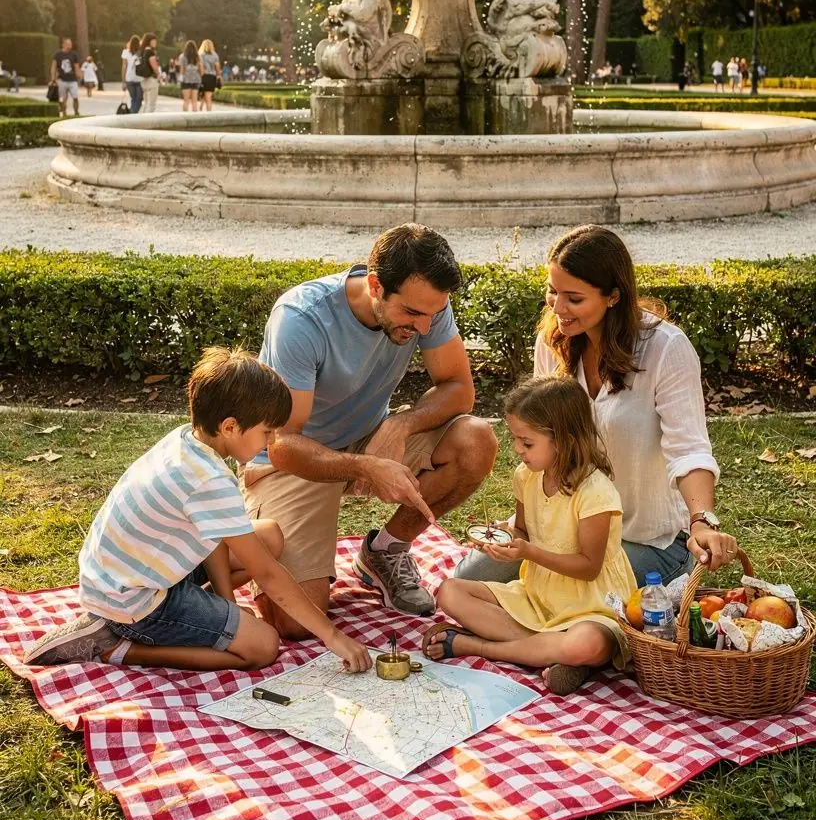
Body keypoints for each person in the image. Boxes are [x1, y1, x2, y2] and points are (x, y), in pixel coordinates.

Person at [27, 348, 371, 676]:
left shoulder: (186, 441)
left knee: (269, 535)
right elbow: (267, 575)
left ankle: (200, 619)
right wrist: (333, 636)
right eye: (266, 432)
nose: (269, 444)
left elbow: (214, 540)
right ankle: (116, 647)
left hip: (120, 578)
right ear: (230, 427)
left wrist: (227, 604)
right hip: (134, 602)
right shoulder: (209, 480)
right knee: (263, 647)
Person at [240, 224, 498, 630]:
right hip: (293, 459)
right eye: (413, 313)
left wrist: (401, 424)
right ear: (375, 285)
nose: (425, 328)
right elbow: (282, 443)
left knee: (476, 439)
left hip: (369, 437)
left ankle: (385, 550)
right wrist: (362, 467)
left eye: (434, 313)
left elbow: (459, 389)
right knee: (295, 624)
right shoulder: (301, 319)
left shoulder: (426, 307)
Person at [458, 226, 738, 589]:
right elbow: (546, 442)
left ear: (613, 296)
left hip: (646, 540)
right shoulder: (552, 342)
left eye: (573, 298)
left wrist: (701, 520)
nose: (558, 308)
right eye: (552, 292)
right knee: (469, 582)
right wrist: (524, 525)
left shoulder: (666, 349)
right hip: (565, 528)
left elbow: (689, 451)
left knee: (563, 605)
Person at [424, 377, 636, 697]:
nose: (518, 450)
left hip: (592, 606)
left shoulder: (595, 492)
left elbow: (589, 567)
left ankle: (476, 645)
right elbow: (524, 531)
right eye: (516, 440)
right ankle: (552, 653)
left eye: (527, 442)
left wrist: (528, 552)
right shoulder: (526, 476)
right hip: (539, 598)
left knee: (585, 642)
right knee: (450, 592)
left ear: (562, 440)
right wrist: (505, 538)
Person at [50, 38, 81, 118]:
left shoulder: (73, 55)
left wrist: (79, 75)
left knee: (75, 97)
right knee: (62, 99)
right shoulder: (58, 55)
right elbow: (54, 67)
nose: (70, 45)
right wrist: (53, 79)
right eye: (69, 43)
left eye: (71, 43)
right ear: (63, 44)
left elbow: (76, 66)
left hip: (72, 80)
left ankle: (76, 112)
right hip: (62, 80)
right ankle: (64, 113)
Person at [138, 33, 161, 113]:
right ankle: (148, 122)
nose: (155, 42)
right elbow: (154, 65)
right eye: (153, 41)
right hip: (151, 79)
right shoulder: (150, 52)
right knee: (151, 104)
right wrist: (158, 74)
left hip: (143, 79)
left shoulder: (141, 52)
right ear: (149, 41)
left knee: (145, 103)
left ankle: (141, 120)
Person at [120, 35, 143, 113]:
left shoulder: (125, 52)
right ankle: (132, 114)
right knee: (139, 100)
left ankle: (131, 114)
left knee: (133, 99)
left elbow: (124, 67)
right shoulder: (141, 53)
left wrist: (123, 82)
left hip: (129, 78)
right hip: (139, 78)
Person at [198, 39, 221, 111]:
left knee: (203, 93)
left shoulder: (201, 55)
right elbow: (217, 68)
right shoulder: (215, 55)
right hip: (212, 77)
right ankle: (208, 111)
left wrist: (201, 77)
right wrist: (219, 76)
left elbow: (201, 67)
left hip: (205, 76)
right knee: (209, 96)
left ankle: (203, 108)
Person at [180, 40, 202, 112]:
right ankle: (195, 119)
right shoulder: (198, 57)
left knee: (186, 101)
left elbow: (182, 69)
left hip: (186, 79)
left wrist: (181, 78)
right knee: (194, 101)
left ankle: (185, 117)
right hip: (196, 80)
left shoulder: (183, 56)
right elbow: (200, 69)